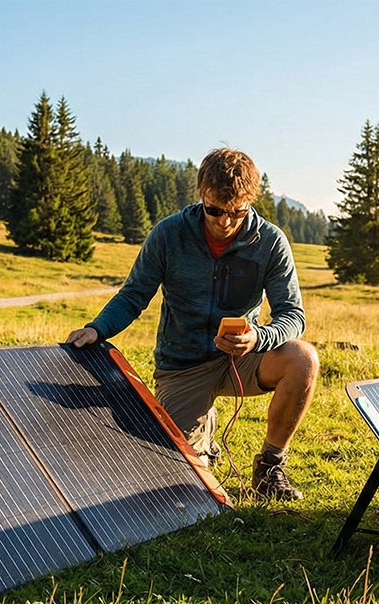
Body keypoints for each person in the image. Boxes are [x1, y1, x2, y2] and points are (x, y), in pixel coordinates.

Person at [66, 148, 318, 500]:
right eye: (215, 210)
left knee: (303, 359)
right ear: (202, 195)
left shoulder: (270, 241)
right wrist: (98, 328)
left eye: (236, 212)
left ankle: (270, 467)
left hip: (241, 358)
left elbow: (293, 315)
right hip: (182, 368)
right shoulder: (169, 234)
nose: (225, 221)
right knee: (182, 481)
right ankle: (202, 435)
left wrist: (258, 338)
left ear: (250, 202)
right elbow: (133, 295)